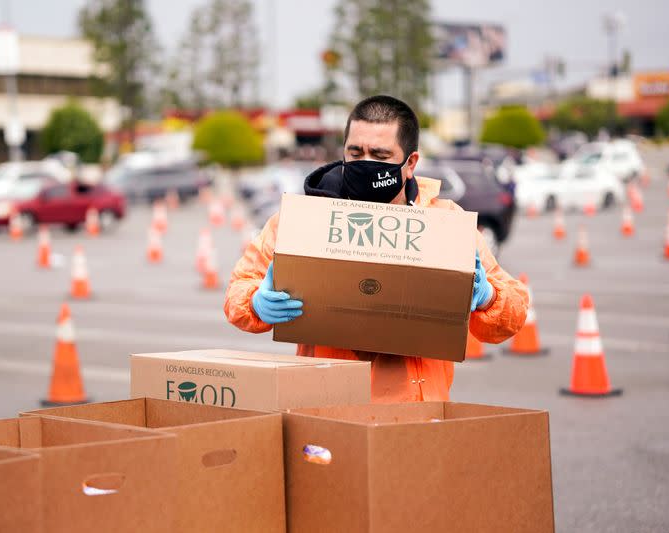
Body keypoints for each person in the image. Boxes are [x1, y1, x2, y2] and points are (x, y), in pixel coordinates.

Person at [224, 95, 528, 402]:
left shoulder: (445, 224)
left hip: (417, 419)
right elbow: (238, 292)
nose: (365, 163)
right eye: (355, 152)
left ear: (410, 164)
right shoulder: (302, 221)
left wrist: (488, 297)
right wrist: (256, 303)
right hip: (326, 410)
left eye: (380, 155)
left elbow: (513, 315)